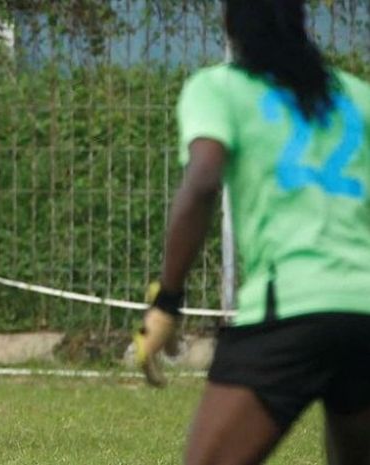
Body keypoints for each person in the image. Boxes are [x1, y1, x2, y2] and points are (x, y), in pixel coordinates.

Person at [135, 0, 370, 463]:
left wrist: (167, 301)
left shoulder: (220, 88)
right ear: (302, 20)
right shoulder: (358, 97)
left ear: (231, 22)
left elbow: (202, 181)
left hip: (288, 308)